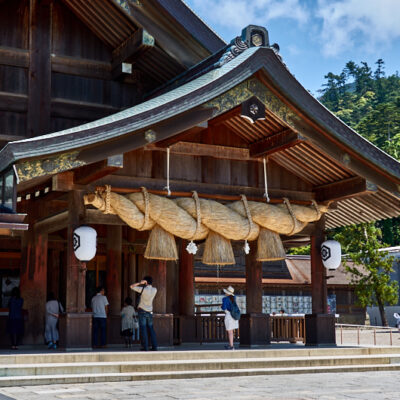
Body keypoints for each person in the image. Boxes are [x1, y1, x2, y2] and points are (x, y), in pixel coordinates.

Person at [130, 276, 157, 351]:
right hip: (150, 311)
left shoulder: (143, 289)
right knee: (151, 329)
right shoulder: (155, 290)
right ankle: (154, 346)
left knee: (143, 329)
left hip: (142, 311)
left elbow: (131, 286)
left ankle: (145, 347)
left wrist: (140, 283)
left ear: (145, 282)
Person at [221, 285, 239, 350]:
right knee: (232, 331)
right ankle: (231, 345)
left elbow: (224, 308)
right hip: (234, 315)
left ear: (227, 292)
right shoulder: (234, 298)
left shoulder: (225, 299)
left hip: (229, 315)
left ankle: (231, 346)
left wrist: (221, 306)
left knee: (229, 332)